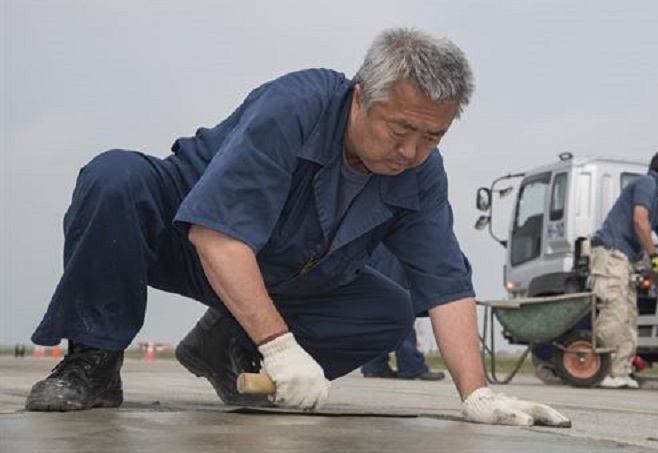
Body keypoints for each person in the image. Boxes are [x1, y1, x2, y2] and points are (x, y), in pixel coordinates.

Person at [25, 28, 570, 428]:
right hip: (187, 236)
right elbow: (216, 235)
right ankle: (91, 362)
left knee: (388, 308)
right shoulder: (298, 105)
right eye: (400, 129)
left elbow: (445, 281)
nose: (411, 152)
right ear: (361, 98)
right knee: (115, 176)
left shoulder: (420, 173)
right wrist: (282, 346)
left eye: (432, 137)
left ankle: (227, 347)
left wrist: (477, 394)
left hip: (282, 269)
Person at [590, 151, 658, 389]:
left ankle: (620, 371)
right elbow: (639, 220)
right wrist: (654, 256)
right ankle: (603, 370)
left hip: (625, 260)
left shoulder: (656, 206)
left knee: (628, 316)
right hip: (611, 253)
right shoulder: (646, 183)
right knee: (614, 312)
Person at [359, 246, 445, 381]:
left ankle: (375, 364)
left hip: (374, 240)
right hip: (391, 241)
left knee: (378, 298)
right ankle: (410, 366)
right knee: (398, 300)